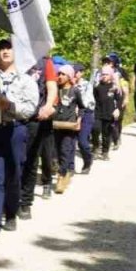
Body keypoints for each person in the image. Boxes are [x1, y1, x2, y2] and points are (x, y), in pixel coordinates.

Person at [0, 38, 38, 242]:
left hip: (15, 129)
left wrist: (10, 106)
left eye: (9, 48)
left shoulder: (25, 79)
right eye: (2, 48)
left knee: (13, 173)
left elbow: (31, 108)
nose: (5, 51)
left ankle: (11, 212)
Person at [19, 54, 58, 216]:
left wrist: (48, 105)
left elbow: (52, 87)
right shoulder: (14, 56)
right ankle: (5, 198)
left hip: (36, 117)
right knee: (11, 159)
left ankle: (25, 201)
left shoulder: (45, 62)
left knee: (31, 159)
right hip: (14, 115)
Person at [51, 64, 85, 193]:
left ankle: (61, 178)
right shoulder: (55, 89)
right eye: (59, 74)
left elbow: (82, 107)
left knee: (65, 152)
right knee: (54, 153)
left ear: (69, 76)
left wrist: (79, 120)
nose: (60, 76)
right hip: (55, 125)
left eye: (63, 74)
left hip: (69, 126)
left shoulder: (75, 91)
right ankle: (61, 172)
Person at [92, 65, 123, 161]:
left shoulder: (114, 87)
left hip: (109, 114)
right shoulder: (97, 87)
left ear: (110, 75)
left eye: (106, 74)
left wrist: (117, 109)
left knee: (106, 134)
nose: (104, 76)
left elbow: (119, 100)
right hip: (98, 112)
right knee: (95, 130)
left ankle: (105, 152)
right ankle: (95, 148)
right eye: (102, 74)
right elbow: (93, 99)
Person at [73, 63, 96, 175]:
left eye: (76, 71)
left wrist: (79, 107)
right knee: (70, 142)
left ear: (81, 73)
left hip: (86, 114)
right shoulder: (69, 84)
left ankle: (87, 160)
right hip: (71, 114)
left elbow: (86, 101)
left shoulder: (87, 85)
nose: (74, 74)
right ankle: (69, 168)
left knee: (82, 142)